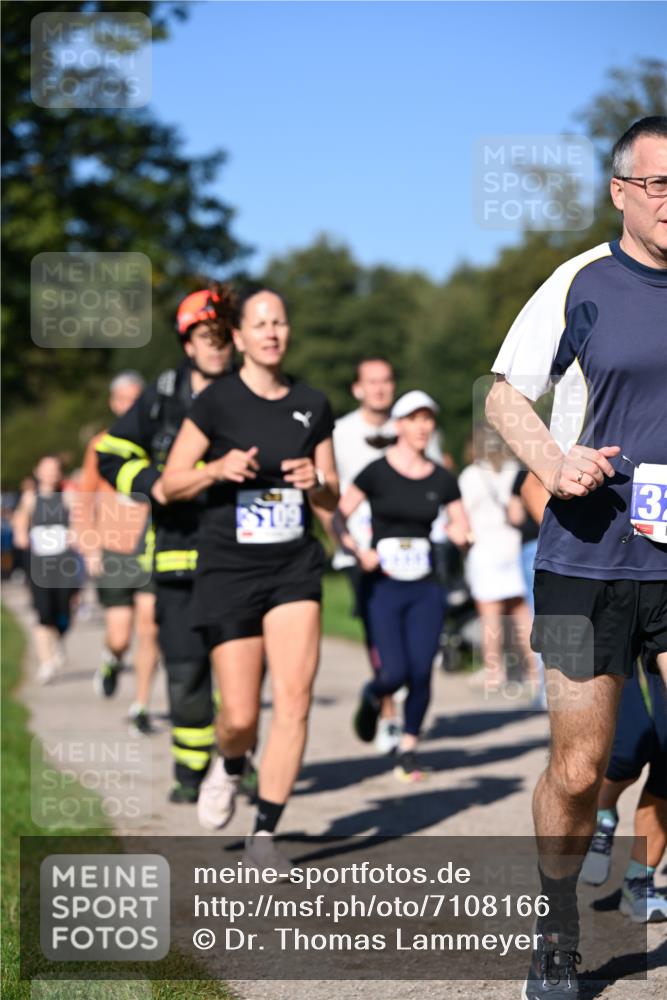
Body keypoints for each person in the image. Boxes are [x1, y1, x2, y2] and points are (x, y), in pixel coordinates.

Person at [485, 117, 667, 998]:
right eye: (659, 185)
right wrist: (552, 463)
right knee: (577, 769)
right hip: (584, 559)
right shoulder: (579, 282)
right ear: (620, 192)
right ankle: (555, 923)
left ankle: (644, 874)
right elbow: (501, 396)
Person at [162, 287, 338, 869]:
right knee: (239, 717)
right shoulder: (215, 402)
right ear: (237, 337)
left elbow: (332, 495)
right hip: (229, 569)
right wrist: (216, 468)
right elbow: (170, 483)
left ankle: (264, 835)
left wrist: (316, 482)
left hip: (293, 567)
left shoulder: (313, 403)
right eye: (260, 324)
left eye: (279, 322)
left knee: (294, 701)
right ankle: (232, 760)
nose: (271, 332)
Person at [97, 286, 234, 802]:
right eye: (206, 336)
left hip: (238, 559)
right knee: (185, 669)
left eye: (224, 336)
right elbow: (112, 453)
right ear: (187, 342)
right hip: (176, 554)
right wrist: (154, 483)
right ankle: (190, 769)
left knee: (239, 671)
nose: (216, 346)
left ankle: (237, 759)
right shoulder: (162, 395)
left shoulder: (251, 391)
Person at [523, 471, 666, 922]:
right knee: (614, 754)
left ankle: (640, 878)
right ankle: (600, 813)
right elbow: (532, 485)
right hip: (598, 583)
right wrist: (579, 544)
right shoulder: (595, 421)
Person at [337, 390, 469, 781]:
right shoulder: (375, 472)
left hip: (425, 587)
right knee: (393, 673)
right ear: (398, 425)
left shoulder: (443, 479)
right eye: (413, 419)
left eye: (427, 419)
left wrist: (462, 536)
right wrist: (358, 551)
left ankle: (409, 746)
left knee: (421, 671)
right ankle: (373, 694)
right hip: (383, 586)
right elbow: (338, 517)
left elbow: (461, 524)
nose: (422, 427)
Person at [327, 357, 446, 753]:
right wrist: (346, 542)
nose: (379, 388)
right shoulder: (341, 432)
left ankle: (399, 719)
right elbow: (328, 494)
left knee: (414, 644)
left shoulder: (420, 427)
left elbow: (437, 479)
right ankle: (388, 712)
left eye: (386, 381)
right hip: (362, 553)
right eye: (372, 382)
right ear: (357, 389)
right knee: (380, 640)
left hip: (413, 553)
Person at [78, 372, 160, 734]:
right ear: (113, 404)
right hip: (113, 546)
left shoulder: (159, 439)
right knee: (120, 635)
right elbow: (84, 497)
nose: (129, 406)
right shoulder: (101, 443)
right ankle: (112, 659)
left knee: (150, 627)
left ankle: (141, 705)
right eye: (123, 400)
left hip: (152, 544)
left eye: (135, 399)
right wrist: (89, 544)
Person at [458, 426, 539, 694]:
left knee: (490, 615)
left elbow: (462, 515)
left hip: (484, 547)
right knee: (522, 613)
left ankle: (494, 671)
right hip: (513, 545)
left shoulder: (470, 476)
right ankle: (534, 671)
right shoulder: (513, 470)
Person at [11, 455, 79, 684]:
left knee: (64, 611)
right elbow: (20, 520)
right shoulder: (30, 498)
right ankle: (46, 663)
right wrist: (21, 534)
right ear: (37, 472)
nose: (50, 473)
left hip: (63, 563)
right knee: (42, 613)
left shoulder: (67, 497)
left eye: (54, 469)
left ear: (59, 473)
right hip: (39, 564)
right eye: (46, 469)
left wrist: (76, 534)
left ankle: (59, 638)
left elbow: (78, 520)